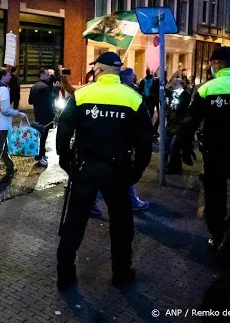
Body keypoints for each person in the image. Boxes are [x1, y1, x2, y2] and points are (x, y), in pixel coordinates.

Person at [56, 52, 152, 290]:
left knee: (74, 222)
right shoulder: (133, 98)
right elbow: (145, 141)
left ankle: (65, 273)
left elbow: (63, 132)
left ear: (99, 69)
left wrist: (67, 163)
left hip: (85, 169)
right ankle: (121, 272)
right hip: (117, 172)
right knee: (121, 223)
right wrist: (136, 172)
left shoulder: (82, 95)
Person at [173, 46, 230, 260]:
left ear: (217, 64)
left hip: (216, 153)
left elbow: (190, 122)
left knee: (214, 197)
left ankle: (217, 234)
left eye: (211, 63)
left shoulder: (207, 89)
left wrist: (184, 149)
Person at [90, 67, 150, 216]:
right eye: (133, 76)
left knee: (116, 175)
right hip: (119, 144)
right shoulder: (127, 94)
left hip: (115, 143)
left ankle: (129, 200)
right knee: (117, 175)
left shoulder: (127, 92)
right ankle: (125, 202)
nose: (136, 77)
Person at [0, 67, 27, 183]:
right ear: (3, 76)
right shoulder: (3, 89)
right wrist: (19, 113)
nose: (10, 77)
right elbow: (5, 110)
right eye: (8, 75)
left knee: (3, 147)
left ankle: (10, 167)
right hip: (1, 125)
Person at [28, 69, 57, 167]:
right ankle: (40, 157)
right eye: (47, 75)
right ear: (42, 75)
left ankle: (41, 154)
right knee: (43, 137)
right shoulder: (45, 87)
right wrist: (56, 89)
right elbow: (52, 100)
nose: (49, 77)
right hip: (46, 116)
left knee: (40, 136)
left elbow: (30, 101)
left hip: (37, 114)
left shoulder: (34, 86)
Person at [164, 78, 191, 175]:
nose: (174, 85)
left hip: (179, 125)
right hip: (171, 124)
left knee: (174, 147)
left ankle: (175, 168)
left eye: (177, 83)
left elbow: (182, 108)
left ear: (182, 84)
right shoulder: (172, 93)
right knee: (167, 146)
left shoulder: (184, 94)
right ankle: (169, 166)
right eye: (173, 83)